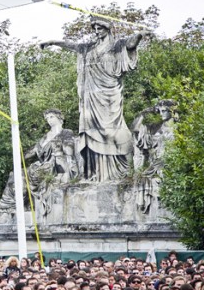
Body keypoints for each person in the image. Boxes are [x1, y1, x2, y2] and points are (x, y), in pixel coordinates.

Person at [41, 18, 150, 182]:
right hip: (91, 97)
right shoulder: (88, 48)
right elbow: (71, 45)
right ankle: (96, 173)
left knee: (113, 131)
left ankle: (121, 171)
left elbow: (130, 44)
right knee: (92, 131)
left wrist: (140, 35)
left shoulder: (116, 45)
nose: (97, 31)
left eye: (100, 28)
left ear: (107, 29)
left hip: (109, 94)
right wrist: (53, 42)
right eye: (95, 28)